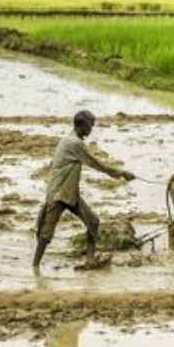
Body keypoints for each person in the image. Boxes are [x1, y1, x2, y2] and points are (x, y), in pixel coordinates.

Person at [33, 110, 136, 270]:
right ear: (82, 124)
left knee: (93, 222)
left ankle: (90, 260)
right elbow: (96, 163)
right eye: (90, 125)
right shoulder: (74, 143)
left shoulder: (69, 139)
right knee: (46, 232)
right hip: (59, 194)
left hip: (70, 193)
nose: (92, 129)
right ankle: (35, 266)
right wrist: (121, 173)